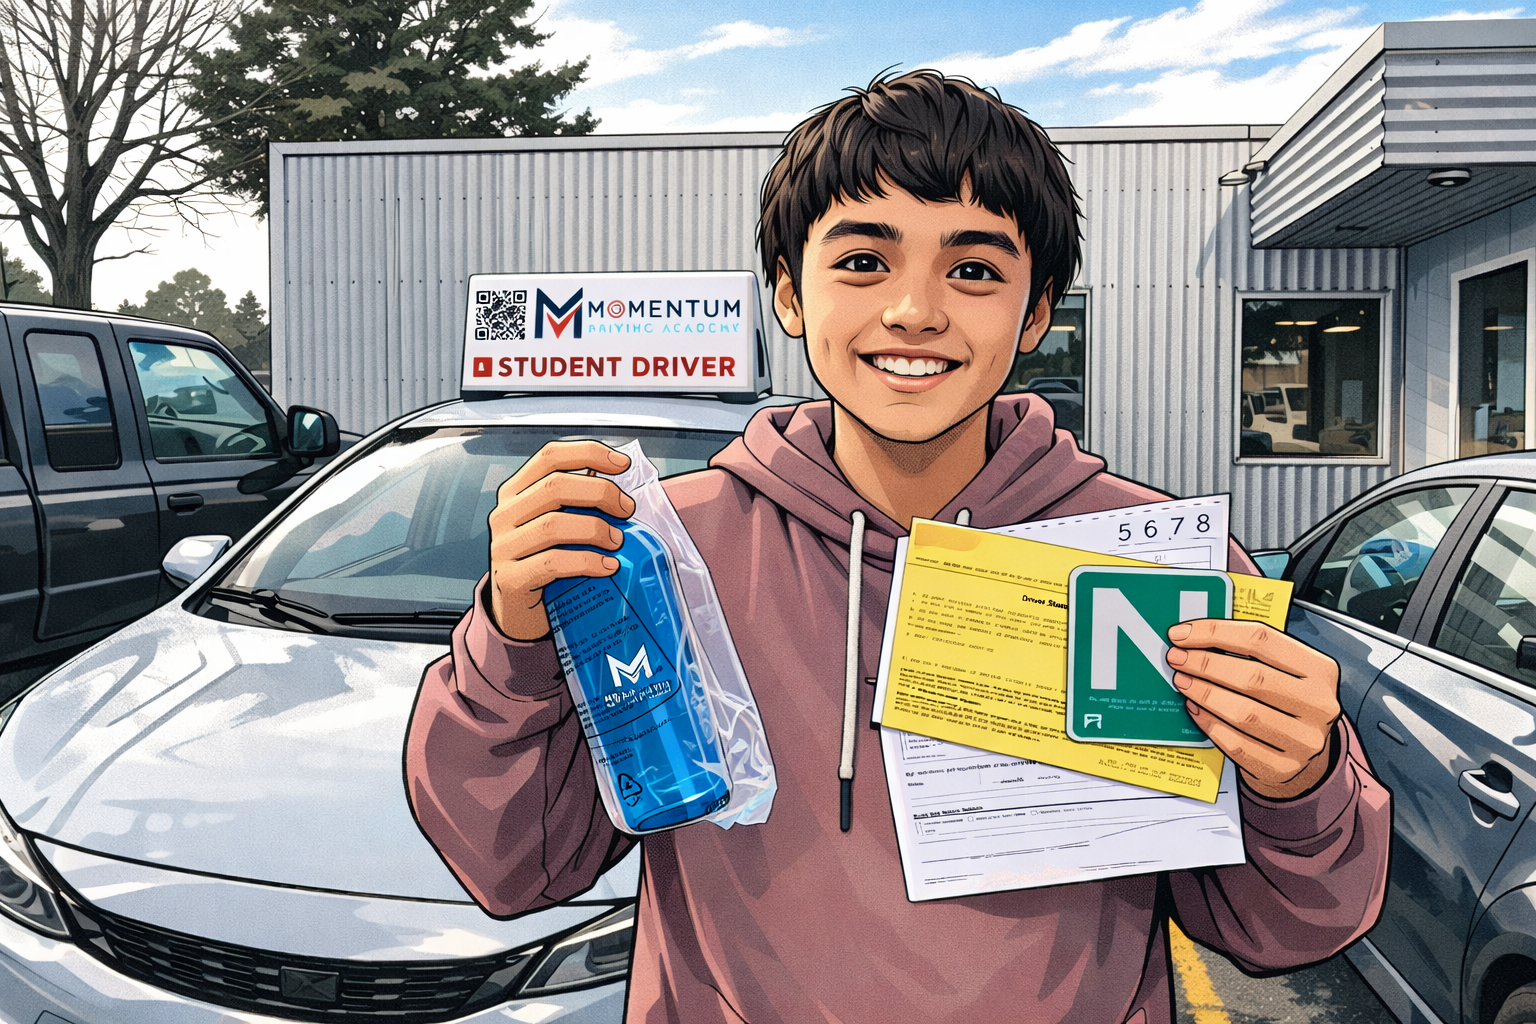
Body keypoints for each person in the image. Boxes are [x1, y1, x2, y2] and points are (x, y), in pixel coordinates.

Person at [405, 70, 1390, 1024]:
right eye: (864, 261)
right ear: (789, 293)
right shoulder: (664, 550)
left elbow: (1276, 927)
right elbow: (515, 868)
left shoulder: (1160, 569)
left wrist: (1300, 782)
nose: (914, 309)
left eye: (973, 269)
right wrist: (512, 643)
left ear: (1036, 313)